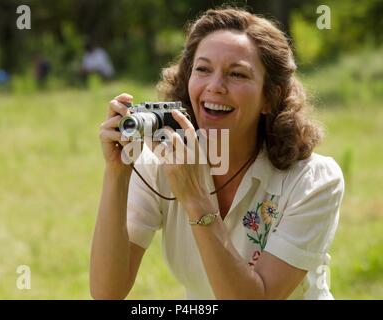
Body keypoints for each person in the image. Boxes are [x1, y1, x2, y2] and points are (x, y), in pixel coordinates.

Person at [90, 7, 344, 300]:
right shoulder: (159, 164)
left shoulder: (313, 181)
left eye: (237, 74)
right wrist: (117, 173)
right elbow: (107, 292)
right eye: (202, 69)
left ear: (270, 97)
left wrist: (197, 200)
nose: (214, 87)